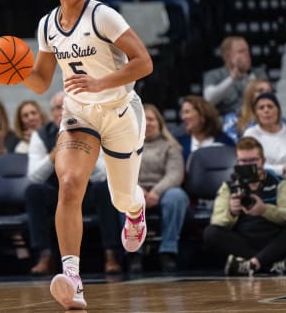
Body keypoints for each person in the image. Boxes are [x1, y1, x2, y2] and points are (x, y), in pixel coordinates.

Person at [20, 0, 152, 310]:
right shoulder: (47, 25)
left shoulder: (103, 16)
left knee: (120, 198)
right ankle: (73, 279)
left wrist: (99, 83)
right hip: (79, 115)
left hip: (120, 112)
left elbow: (144, 62)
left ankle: (136, 210)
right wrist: (15, 70)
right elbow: (41, 81)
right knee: (69, 184)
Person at [25, 92, 122, 275]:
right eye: (58, 108)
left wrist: (82, 149)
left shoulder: (95, 131)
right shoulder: (41, 135)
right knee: (33, 191)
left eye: (68, 107)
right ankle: (44, 256)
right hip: (59, 194)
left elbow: (103, 175)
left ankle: (111, 254)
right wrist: (55, 155)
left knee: (104, 189)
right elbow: (34, 177)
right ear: (52, 113)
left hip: (87, 193)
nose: (62, 112)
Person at [203, 136, 286, 276]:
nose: (248, 166)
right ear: (237, 162)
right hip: (243, 241)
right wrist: (232, 212)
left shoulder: (279, 183)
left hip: (274, 239)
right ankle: (271, 265)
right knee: (210, 233)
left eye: (253, 160)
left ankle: (248, 265)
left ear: (263, 161)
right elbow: (216, 221)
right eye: (243, 161)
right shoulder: (228, 187)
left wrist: (265, 210)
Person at [130, 104, 189, 273]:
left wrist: (156, 191)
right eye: (144, 119)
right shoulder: (127, 147)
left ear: (159, 123)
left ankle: (168, 251)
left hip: (164, 191)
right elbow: (123, 173)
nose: (147, 123)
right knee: (126, 196)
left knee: (177, 196)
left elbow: (175, 175)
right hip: (136, 190)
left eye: (151, 119)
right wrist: (137, 189)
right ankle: (134, 253)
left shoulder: (171, 147)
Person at [243, 93, 286, 197]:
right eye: (261, 108)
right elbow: (249, 169)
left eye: (270, 106)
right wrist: (284, 169)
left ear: (278, 110)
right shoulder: (250, 134)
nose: (266, 110)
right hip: (259, 188)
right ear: (256, 114)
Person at [203, 37, 268, 116]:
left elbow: (266, 96)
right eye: (241, 51)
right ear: (227, 56)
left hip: (254, 119)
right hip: (225, 122)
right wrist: (232, 78)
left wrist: (248, 75)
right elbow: (209, 99)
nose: (247, 54)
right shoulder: (213, 75)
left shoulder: (258, 73)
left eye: (247, 50)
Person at [175, 95, 234, 165]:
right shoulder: (179, 144)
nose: (183, 117)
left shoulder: (225, 142)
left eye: (187, 112)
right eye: (182, 113)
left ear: (202, 114)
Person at [222, 78, 273, 143]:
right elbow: (229, 146)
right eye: (260, 91)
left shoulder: (279, 120)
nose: (266, 95)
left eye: (269, 92)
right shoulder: (232, 119)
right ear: (250, 94)